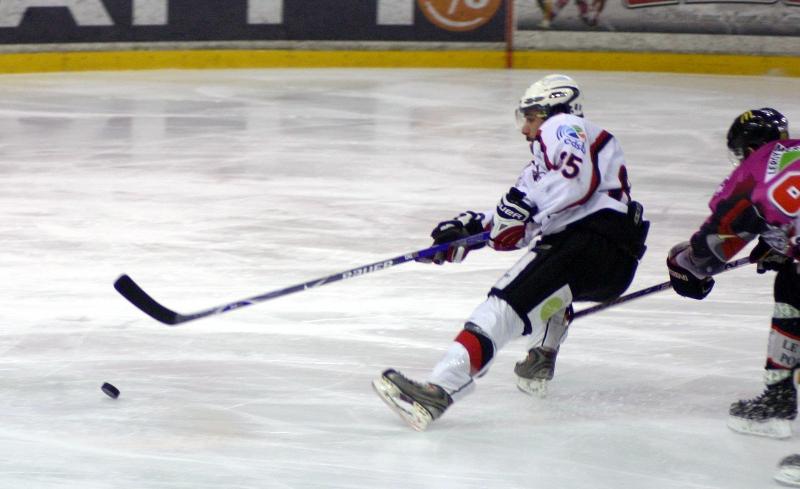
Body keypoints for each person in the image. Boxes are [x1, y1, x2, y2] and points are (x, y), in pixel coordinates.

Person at [372, 74, 650, 431]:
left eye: (530, 117)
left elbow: (573, 184)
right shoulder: (541, 167)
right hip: (612, 261)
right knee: (551, 292)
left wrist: (522, 213)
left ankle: (439, 389)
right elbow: (515, 225)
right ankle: (542, 356)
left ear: (552, 109)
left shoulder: (563, 126)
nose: (526, 129)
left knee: (501, 307)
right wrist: (468, 233)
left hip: (587, 241)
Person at [665, 108, 796, 439]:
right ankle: (779, 395)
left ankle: (778, 402)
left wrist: (685, 265)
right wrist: (783, 244)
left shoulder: (755, 167)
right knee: (792, 285)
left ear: (750, 148)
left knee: (792, 288)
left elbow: (714, 246)